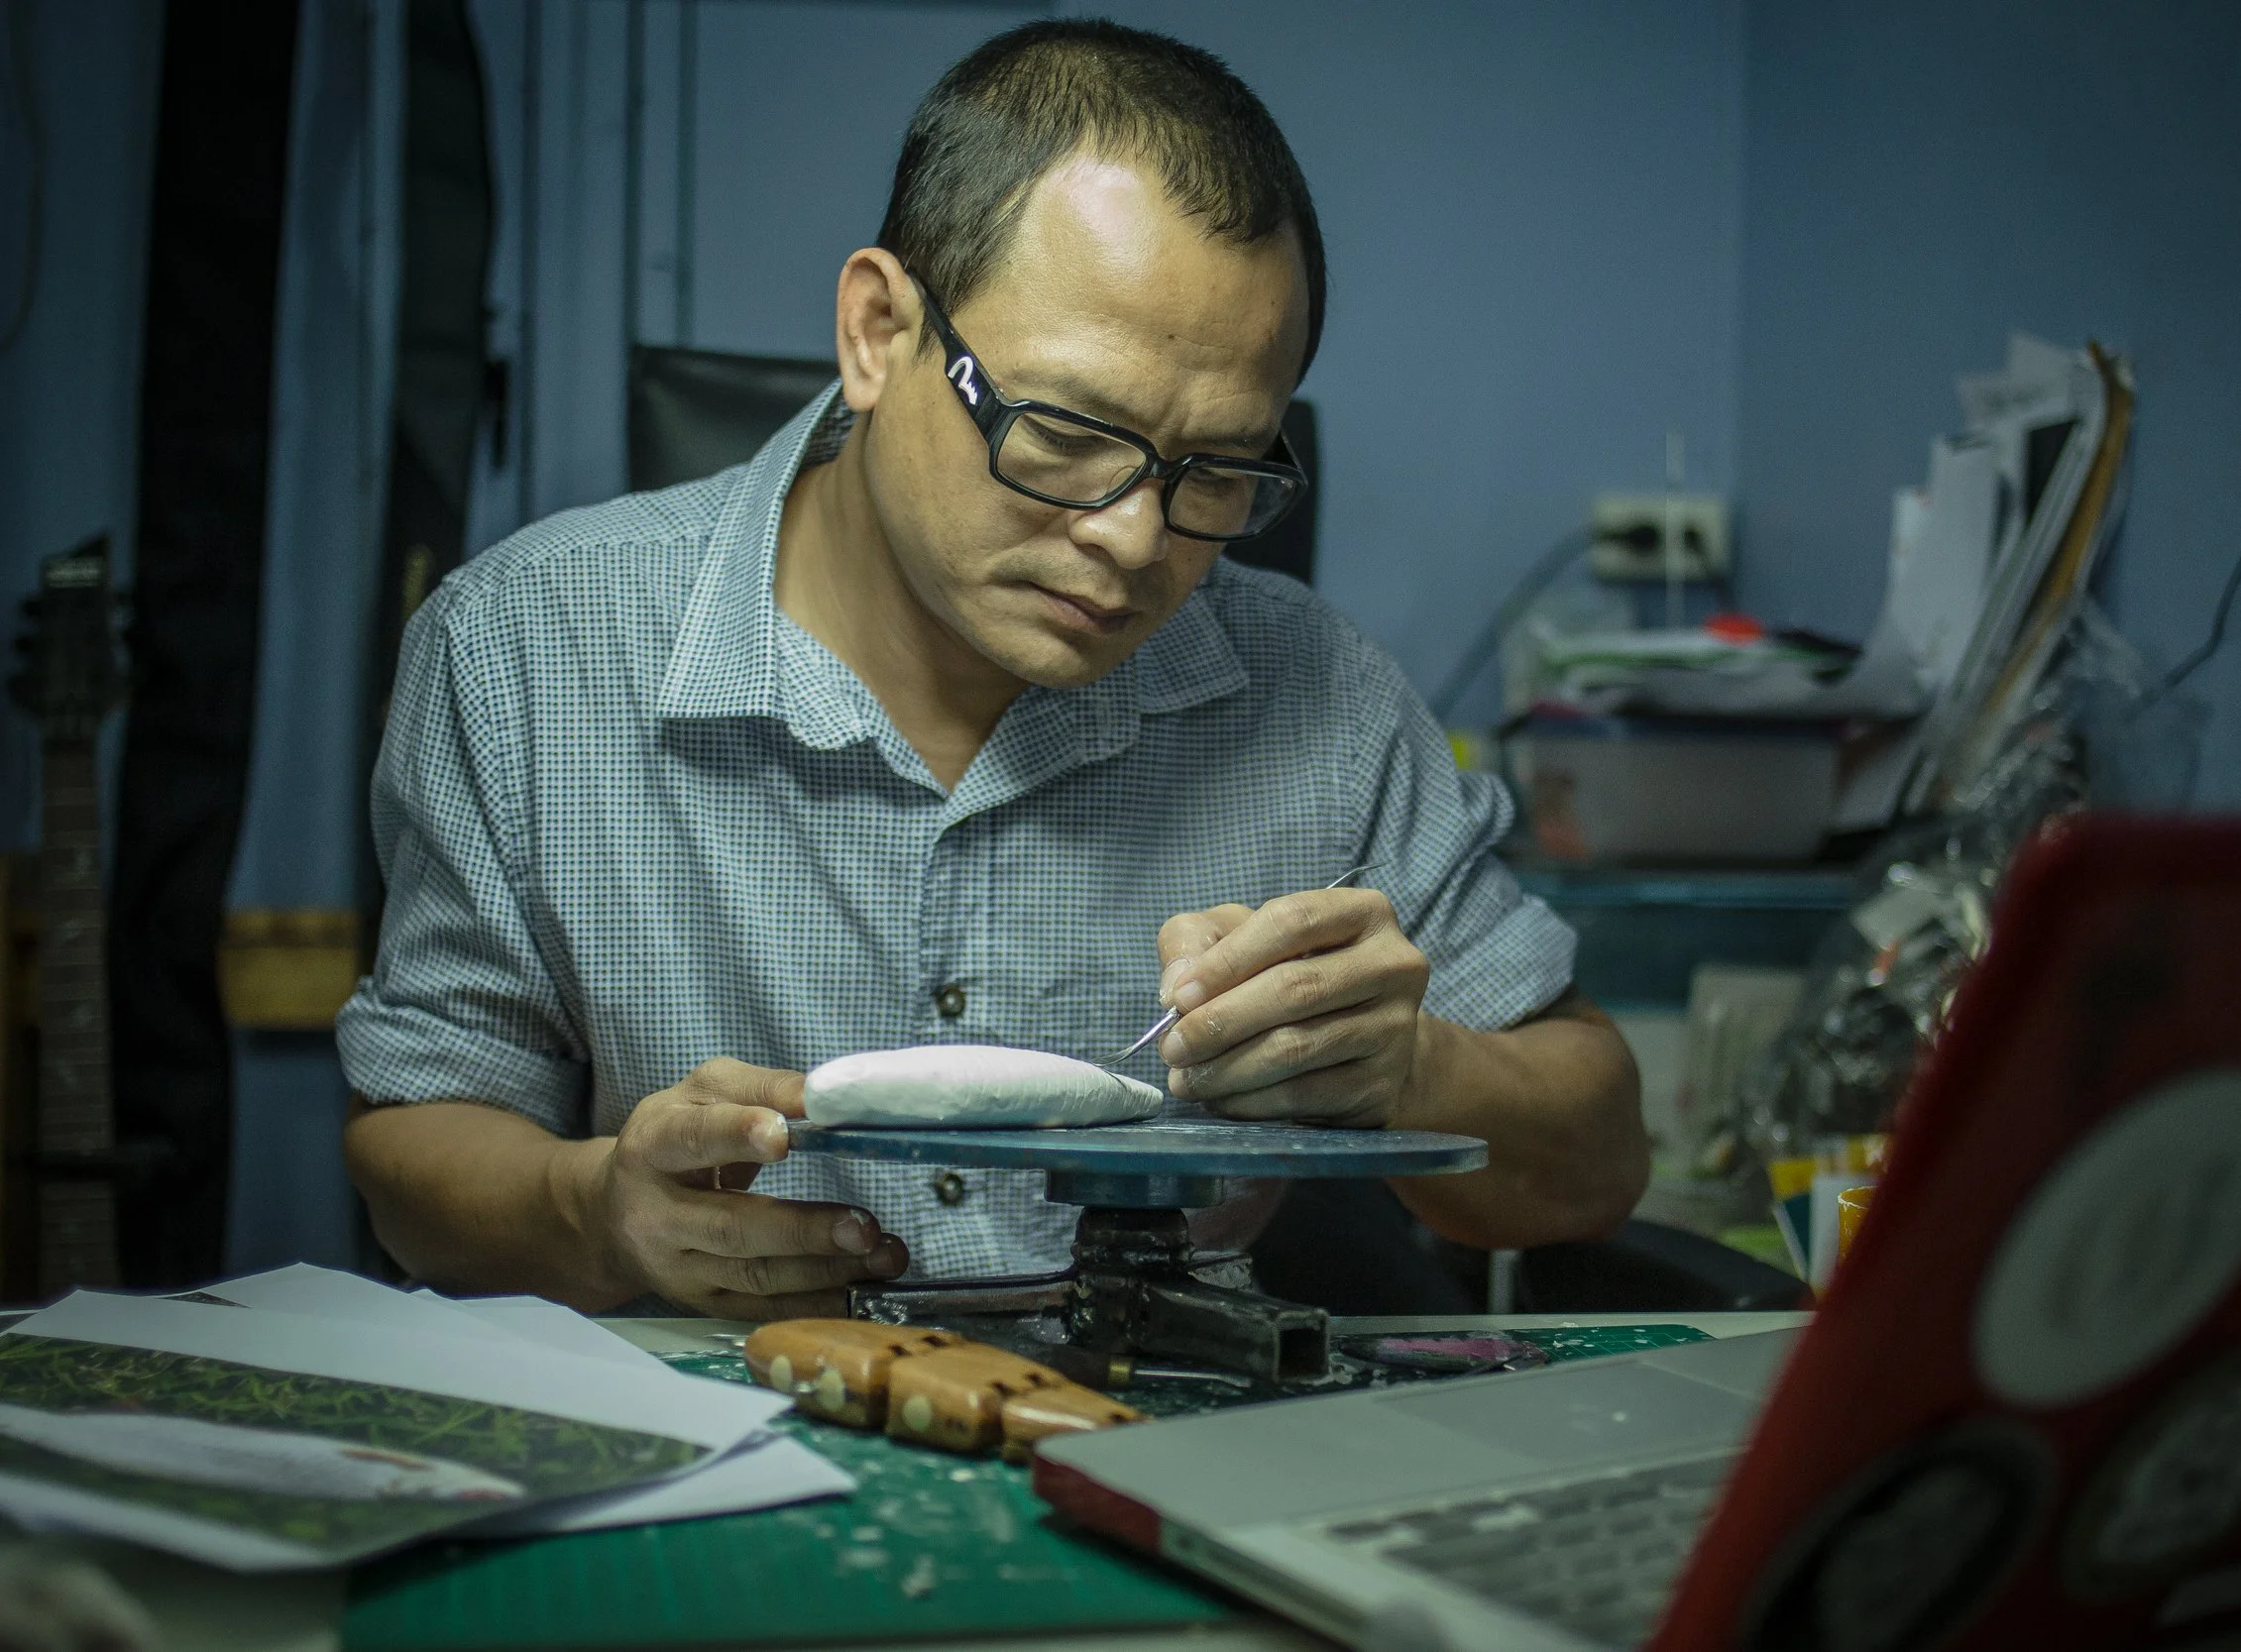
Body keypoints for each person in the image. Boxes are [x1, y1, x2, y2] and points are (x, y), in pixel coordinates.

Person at [339, 20, 1646, 1320]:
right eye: (1068, 432)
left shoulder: (1322, 700)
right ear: (878, 331)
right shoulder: (529, 646)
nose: (1133, 539)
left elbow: (1595, 1164)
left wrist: (1415, 1069)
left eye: (1218, 470)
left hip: (1159, 1450)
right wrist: (594, 1216)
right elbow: (414, 1151)